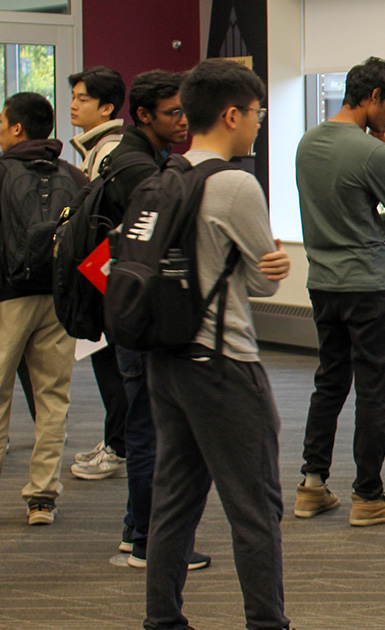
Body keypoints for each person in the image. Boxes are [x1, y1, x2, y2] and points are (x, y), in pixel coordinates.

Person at [142, 58, 292, 630]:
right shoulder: (235, 184)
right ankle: (266, 623)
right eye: (256, 113)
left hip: (168, 360)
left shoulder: (166, 175)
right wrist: (272, 262)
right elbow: (261, 280)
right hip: (224, 364)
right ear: (231, 114)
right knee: (255, 506)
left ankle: (163, 620)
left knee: (174, 503)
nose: (257, 123)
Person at [293, 56, 385, 527]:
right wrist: (373, 220)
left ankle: (312, 484)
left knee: (329, 381)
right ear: (371, 98)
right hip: (369, 284)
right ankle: (368, 496)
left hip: (322, 282)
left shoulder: (307, 143)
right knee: (373, 390)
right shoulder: (374, 154)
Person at [103, 70, 210, 570]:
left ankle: (135, 532)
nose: (183, 120)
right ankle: (148, 540)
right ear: (143, 115)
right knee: (150, 430)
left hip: (132, 309)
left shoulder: (143, 159)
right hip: (140, 316)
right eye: (173, 112)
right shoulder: (136, 169)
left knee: (148, 424)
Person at [0, 92, 86, 526]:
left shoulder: (1, 173)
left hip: (6, 300)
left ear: (17, 129)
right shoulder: (73, 173)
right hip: (57, 298)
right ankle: (42, 497)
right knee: (52, 397)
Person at [66, 65, 131, 482]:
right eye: (73, 96)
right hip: (99, 273)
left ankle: (120, 445)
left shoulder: (112, 152)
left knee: (114, 366)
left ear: (107, 107)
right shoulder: (95, 149)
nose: (73, 104)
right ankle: (116, 440)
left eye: (83, 98)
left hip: (110, 275)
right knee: (107, 362)